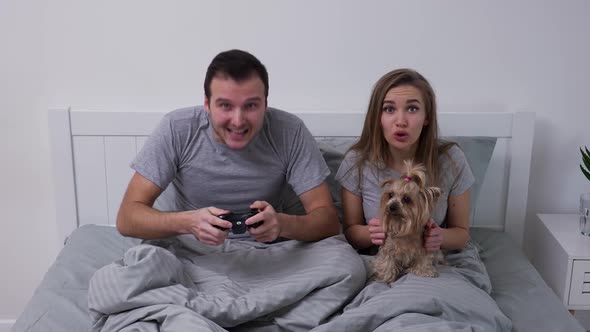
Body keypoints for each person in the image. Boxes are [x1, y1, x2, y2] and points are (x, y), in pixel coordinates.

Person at [116, 49, 340, 245]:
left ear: (265, 104)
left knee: (346, 265)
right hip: (193, 249)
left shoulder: (290, 130)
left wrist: (282, 224)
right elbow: (127, 218)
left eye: (251, 105)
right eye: (225, 106)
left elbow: (328, 222)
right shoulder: (177, 128)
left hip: (271, 251)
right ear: (207, 104)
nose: (238, 120)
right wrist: (188, 222)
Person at [335, 68, 473, 254]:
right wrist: (370, 233)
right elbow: (350, 231)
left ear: (427, 117)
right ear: (378, 117)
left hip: (429, 260)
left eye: (412, 109)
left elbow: (461, 234)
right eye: (389, 109)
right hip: (379, 261)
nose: (401, 121)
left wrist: (440, 237)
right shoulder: (356, 162)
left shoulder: (451, 160)